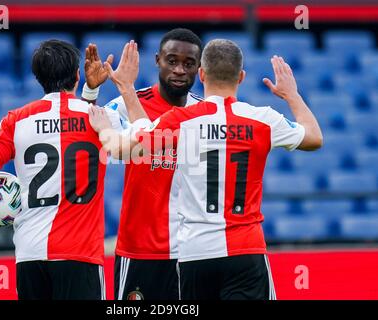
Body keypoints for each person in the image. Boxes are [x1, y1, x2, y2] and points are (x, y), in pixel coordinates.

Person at [89, 39, 323, 300]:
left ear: (201, 74)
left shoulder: (183, 119)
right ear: (242, 77)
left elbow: (122, 148)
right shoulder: (262, 118)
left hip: (195, 252)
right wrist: (292, 95)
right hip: (246, 249)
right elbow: (314, 138)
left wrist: (105, 128)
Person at [0, 39, 121, 300]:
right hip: (80, 253)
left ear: (38, 77)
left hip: (30, 254)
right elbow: (134, 145)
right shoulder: (100, 118)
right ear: (78, 75)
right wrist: (93, 93)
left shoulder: (16, 120)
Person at [96, 28, 203, 300]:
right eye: (172, 60)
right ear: (157, 60)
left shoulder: (205, 115)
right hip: (139, 249)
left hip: (192, 250)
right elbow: (108, 146)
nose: (179, 69)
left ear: (200, 69)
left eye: (189, 63)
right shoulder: (122, 105)